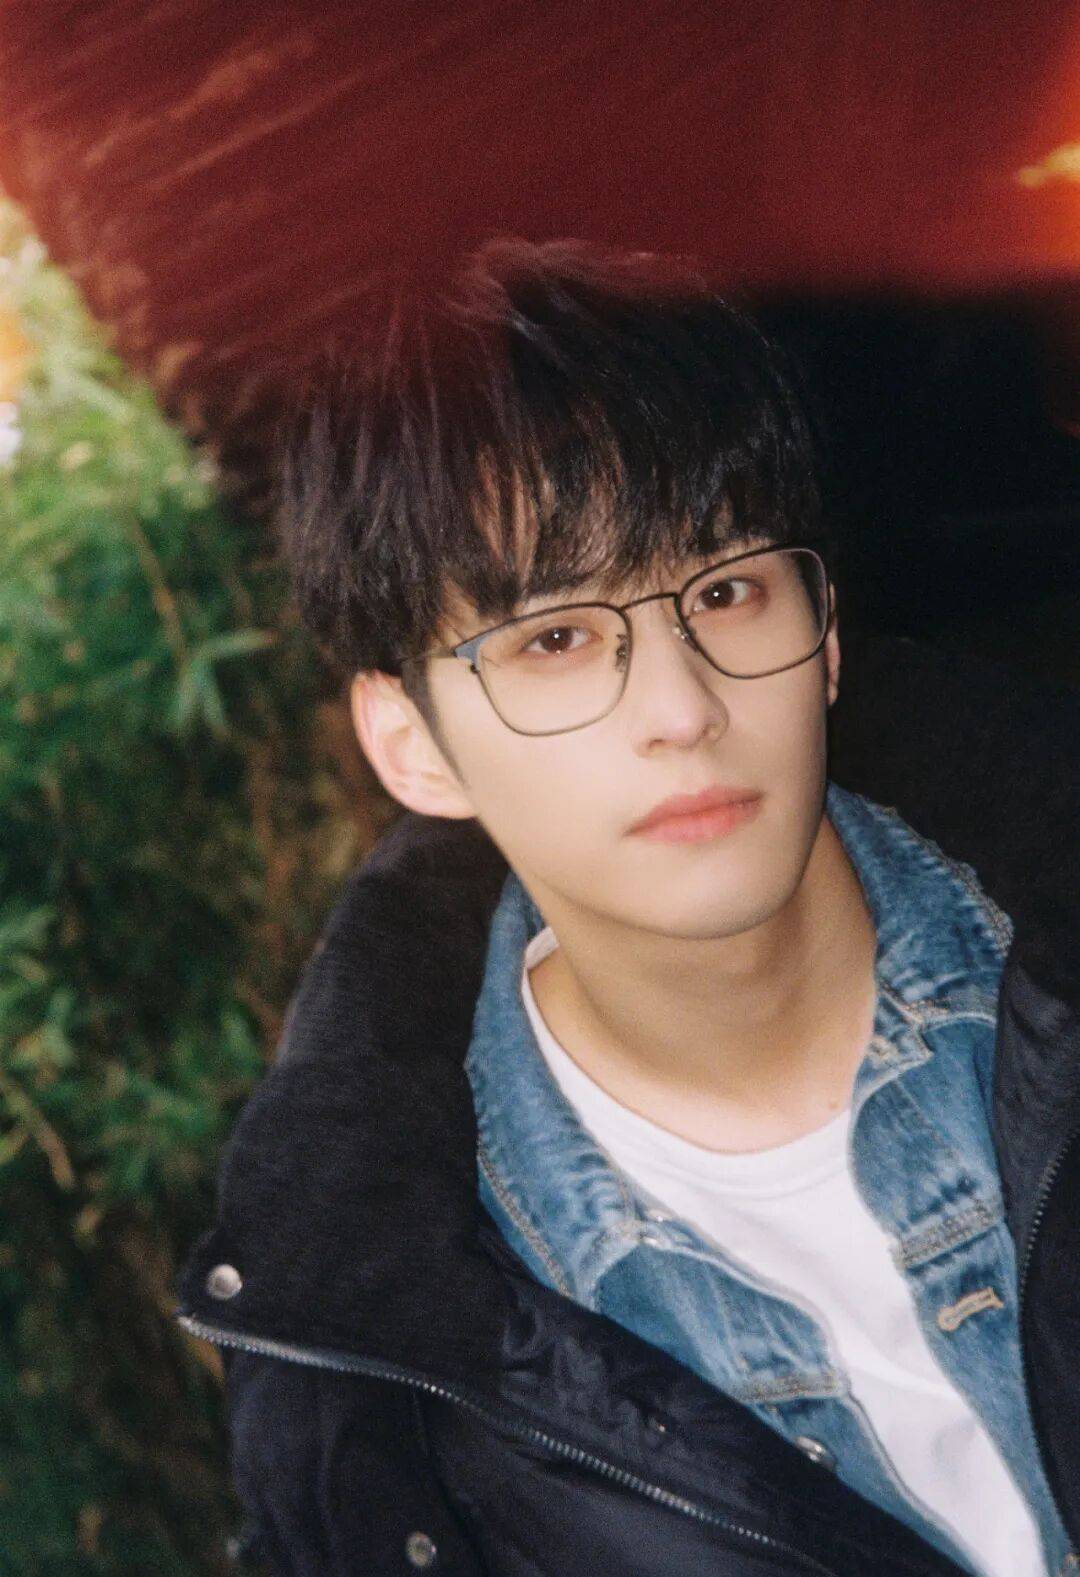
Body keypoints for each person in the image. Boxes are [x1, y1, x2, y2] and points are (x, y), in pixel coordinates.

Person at [174, 238, 1080, 1575]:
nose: (682, 706)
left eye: (726, 591)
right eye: (555, 638)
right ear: (412, 745)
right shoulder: (381, 1377)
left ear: (825, 632)